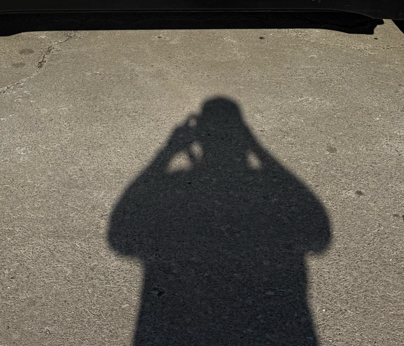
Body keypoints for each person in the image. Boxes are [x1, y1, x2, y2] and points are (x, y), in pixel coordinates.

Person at [108, 97, 332, 346]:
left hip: (178, 322)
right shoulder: (262, 187)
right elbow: (317, 231)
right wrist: (255, 146)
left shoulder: (177, 186)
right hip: (270, 323)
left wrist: (168, 151)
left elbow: (121, 234)